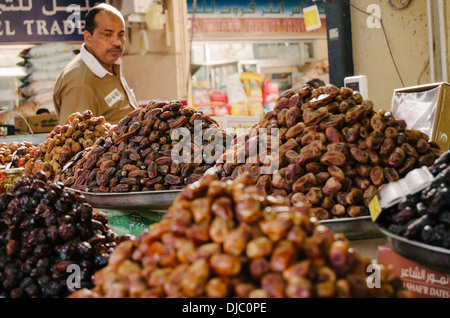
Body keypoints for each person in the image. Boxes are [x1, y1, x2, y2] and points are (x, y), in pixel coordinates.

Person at [53, 3, 138, 125]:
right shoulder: (80, 83)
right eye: (107, 34)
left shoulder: (109, 64)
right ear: (88, 37)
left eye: (121, 35)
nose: (117, 42)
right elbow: (76, 140)